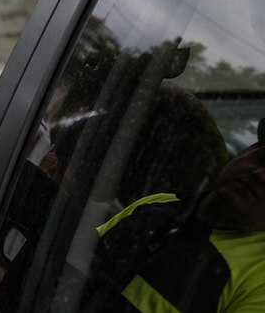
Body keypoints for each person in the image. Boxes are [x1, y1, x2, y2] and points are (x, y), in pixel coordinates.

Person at [80, 117, 265, 312]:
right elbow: (70, 274)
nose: (260, 175)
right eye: (262, 157)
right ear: (247, 150)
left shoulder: (258, 280)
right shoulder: (159, 204)